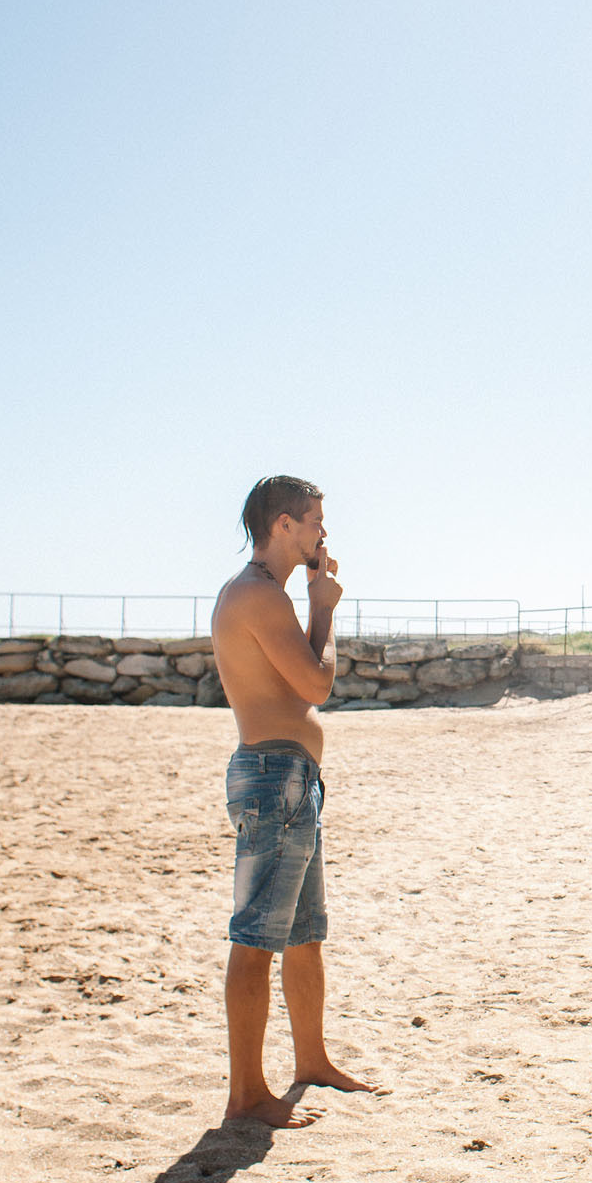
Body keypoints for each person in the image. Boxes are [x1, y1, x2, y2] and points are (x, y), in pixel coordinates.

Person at [210, 475, 379, 1126]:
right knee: (256, 939)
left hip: (291, 778)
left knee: (305, 937)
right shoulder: (256, 596)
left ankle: (311, 1060)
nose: (322, 535)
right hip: (274, 778)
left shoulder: (262, 595)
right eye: (315, 521)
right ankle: (247, 1094)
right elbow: (315, 682)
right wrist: (325, 607)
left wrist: (313, 599)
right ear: (283, 524)